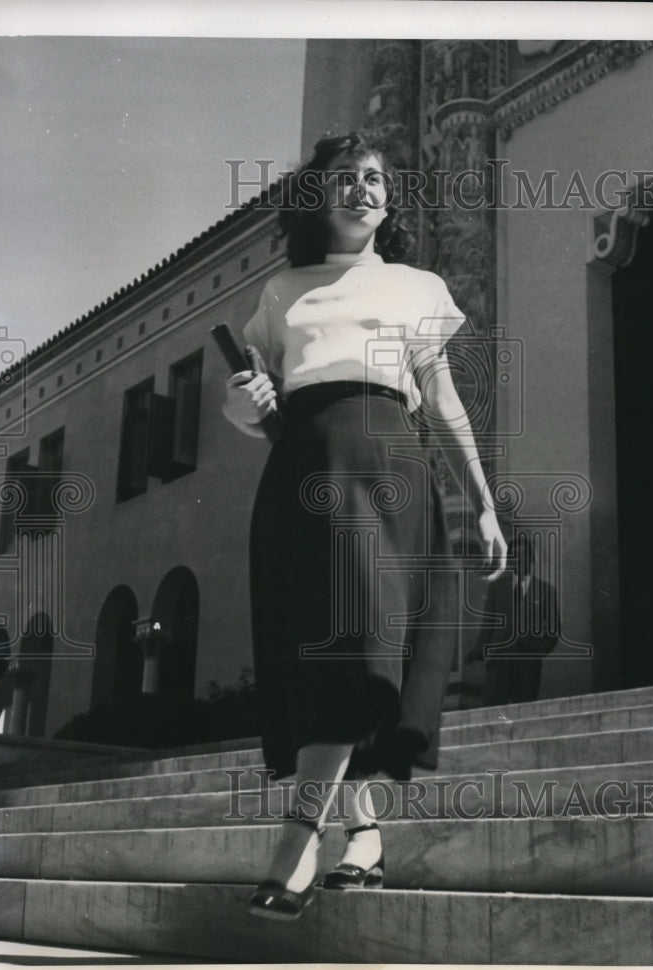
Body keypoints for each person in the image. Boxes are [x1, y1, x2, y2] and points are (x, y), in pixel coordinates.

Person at [222, 132, 507, 920]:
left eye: (374, 179)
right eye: (344, 179)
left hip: (387, 466)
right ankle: (365, 838)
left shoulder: (416, 285)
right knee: (324, 653)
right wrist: (242, 408)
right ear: (318, 196)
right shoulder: (282, 290)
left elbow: (441, 398)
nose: (361, 190)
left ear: (389, 197)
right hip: (301, 472)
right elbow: (247, 397)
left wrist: (478, 498)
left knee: (366, 651)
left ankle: (295, 841)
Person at [465, 533, 560, 705]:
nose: (520, 560)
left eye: (524, 556)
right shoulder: (497, 587)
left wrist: (536, 650)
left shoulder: (546, 591)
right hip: (500, 659)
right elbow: (488, 623)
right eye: (515, 556)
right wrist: (478, 649)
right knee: (494, 707)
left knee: (524, 707)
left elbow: (554, 631)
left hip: (527, 662)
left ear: (532, 559)